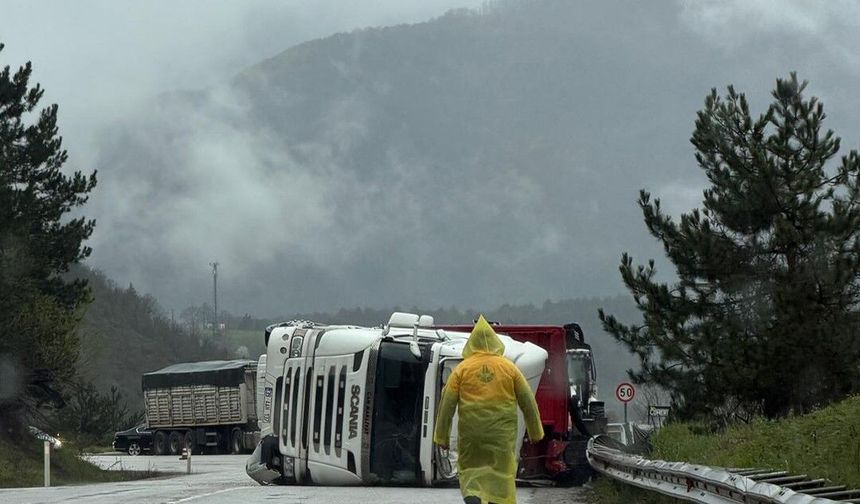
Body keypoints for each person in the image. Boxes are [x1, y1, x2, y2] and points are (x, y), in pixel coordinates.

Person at [433, 315, 544, 504]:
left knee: (470, 471)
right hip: (501, 436)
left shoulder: (462, 369)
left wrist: (442, 437)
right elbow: (528, 402)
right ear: (495, 343)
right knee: (501, 474)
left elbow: (447, 404)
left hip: (471, 435)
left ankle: (473, 497)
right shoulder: (510, 368)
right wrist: (535, 433)